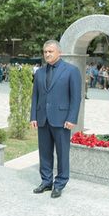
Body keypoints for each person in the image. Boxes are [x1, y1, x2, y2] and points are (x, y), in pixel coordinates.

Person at [30, 40, 82, 198]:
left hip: (62, 120)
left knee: (62, 153)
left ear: (59, 52)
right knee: (44, 152)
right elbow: (35, 96)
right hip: (43, 119)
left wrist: (72, 118)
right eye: (45, 52)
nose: (47, 54)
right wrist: (33, 116)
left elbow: (76, 97)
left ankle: (60, 183)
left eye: (50, 51)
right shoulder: (39, 72)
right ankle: (46, 181)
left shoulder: (71, 71)